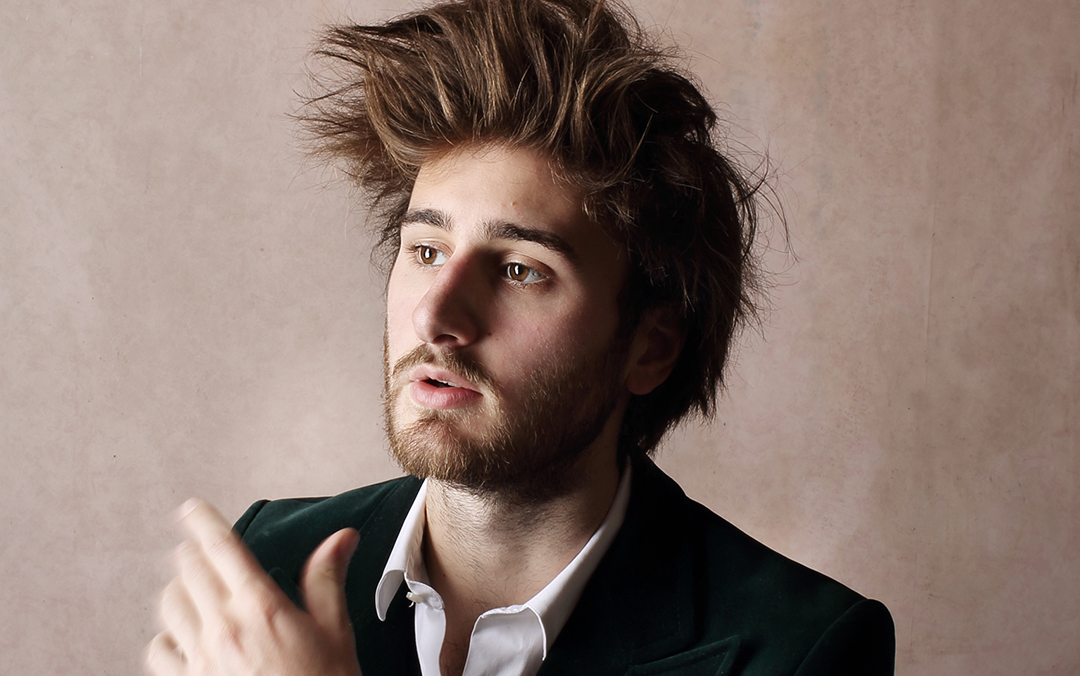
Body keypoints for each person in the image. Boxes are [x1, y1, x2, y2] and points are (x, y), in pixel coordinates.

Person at [145, 0, 895, 674]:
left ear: (651, 347)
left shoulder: (801, 652)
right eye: (426, 251)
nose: (436, 318)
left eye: (518, 269)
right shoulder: (267, 565)